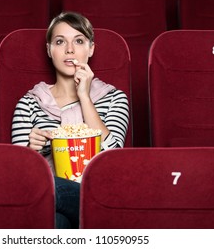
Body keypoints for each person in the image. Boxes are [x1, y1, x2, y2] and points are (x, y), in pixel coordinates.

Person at [11, 12, 129, 228]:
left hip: (99, 196)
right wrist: (31, 149)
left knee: (46, 192)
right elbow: (21, 177)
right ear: (49, 50)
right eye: (59, 42)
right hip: (49, 204)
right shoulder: (29, 103)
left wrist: (84, 95)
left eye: (79, 41)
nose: (69, 50)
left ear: (91, 48)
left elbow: (112, 156)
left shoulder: (115, 98)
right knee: (56, 221)